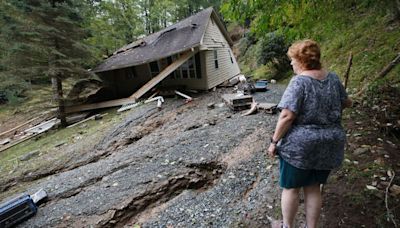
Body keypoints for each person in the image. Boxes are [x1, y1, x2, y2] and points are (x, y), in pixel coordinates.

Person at [268, 39, 352, 228]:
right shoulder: (333, 78)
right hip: (330, 143)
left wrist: (274, 141)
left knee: (290, 188)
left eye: (292, 59)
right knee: (313, 187)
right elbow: (347, 102)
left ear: (301, 61)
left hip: (301, 147)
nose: (291, 63)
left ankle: (287, 226)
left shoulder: (299, 82)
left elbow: (287, 116)